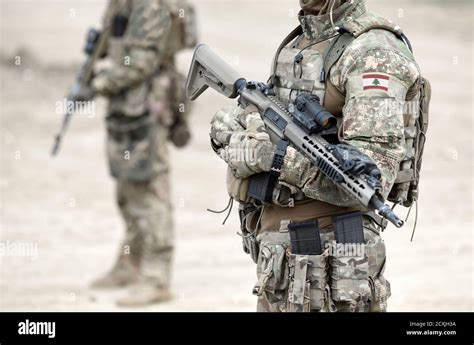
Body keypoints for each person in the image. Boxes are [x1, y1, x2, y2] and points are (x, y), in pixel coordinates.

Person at [210, 0, 425, 312]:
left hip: (334, 267)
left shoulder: (374, 52)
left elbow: (373, 176)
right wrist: (233, 130)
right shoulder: (304, 39)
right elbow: (261, 113)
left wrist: (273, 157)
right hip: (281, 265)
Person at [78, 0, 197, 306]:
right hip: (126, 104)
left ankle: (156, 277)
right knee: (127, 186)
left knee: (151, 187)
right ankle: (130, 263)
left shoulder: (150, 5)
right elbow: (112, 46)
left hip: (149, 104)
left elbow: (142, 62)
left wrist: (97, 85)